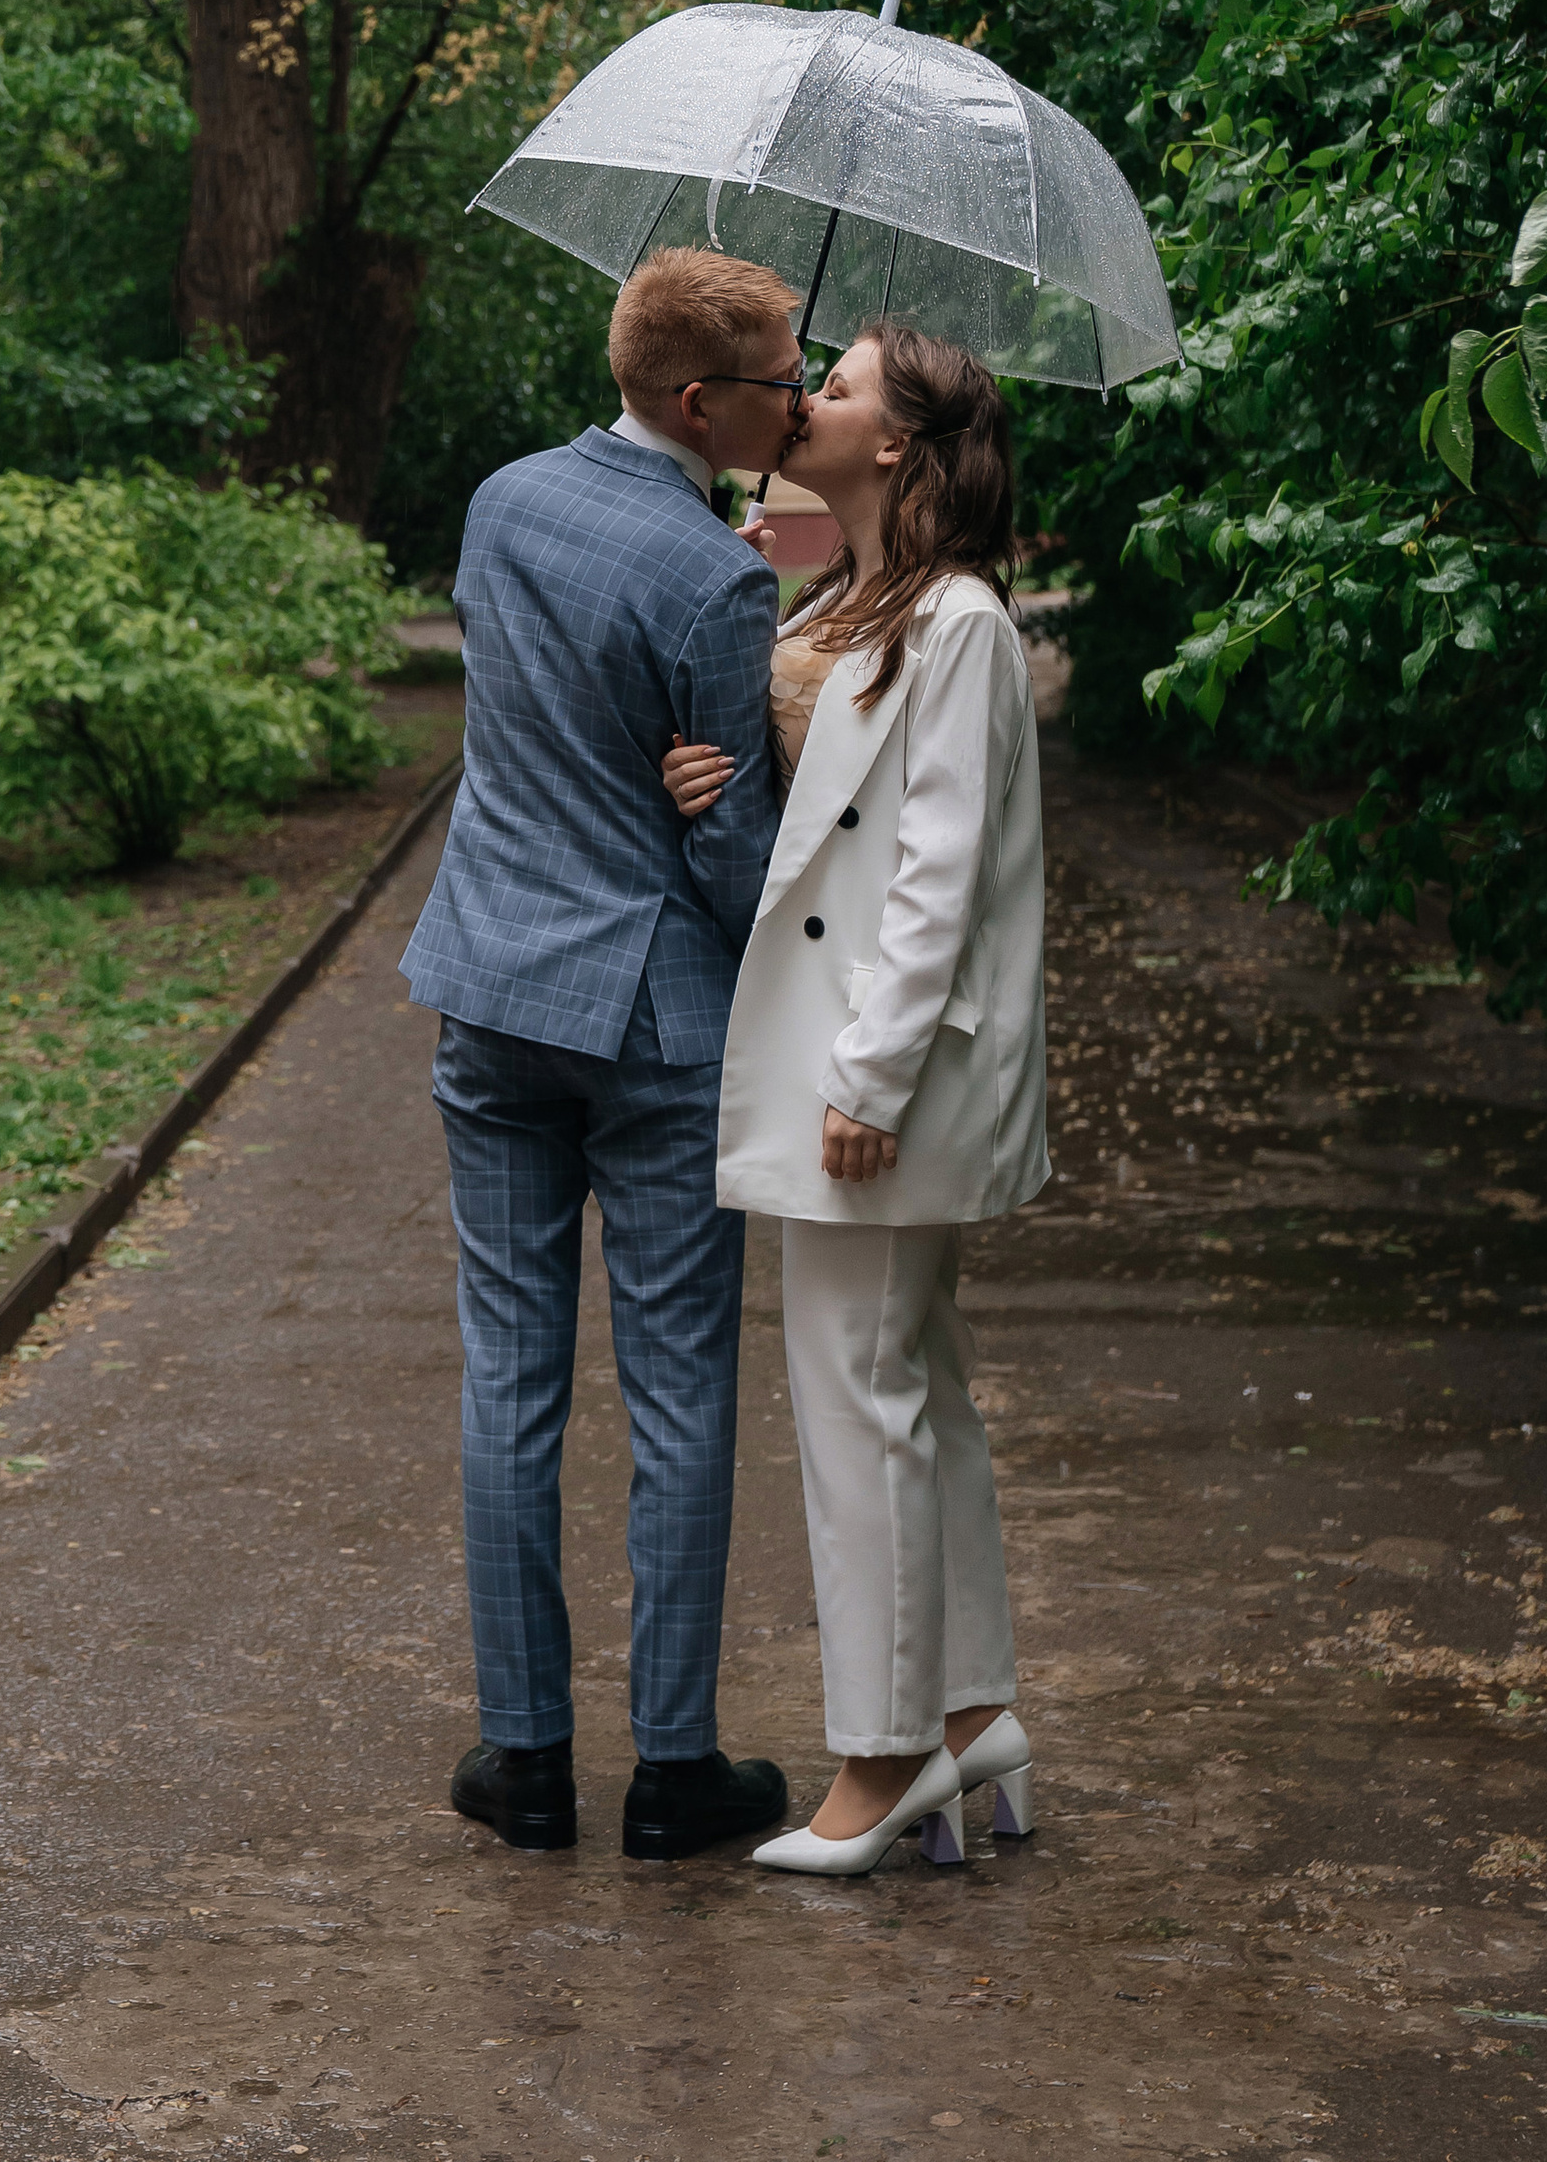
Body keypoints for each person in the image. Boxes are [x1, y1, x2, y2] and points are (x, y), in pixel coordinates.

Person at [402, 247, 810, 1862]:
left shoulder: (504, 503)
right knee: (677, 1393)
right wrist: (726, 799)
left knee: (506, 1377)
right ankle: (670, 1772)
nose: (802, 390)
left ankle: (520, 1761)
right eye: (786, 374)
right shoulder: (717, 581)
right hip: (652, 1029)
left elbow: (516, 709)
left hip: (492, 993)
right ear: (704, 401)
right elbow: (739, 870)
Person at [664, 317, 1045, 1876]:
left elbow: (937, 872)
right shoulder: (855, 592)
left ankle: (882, 1763)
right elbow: (834, 814)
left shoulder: (953, 621)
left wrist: (871, 1076)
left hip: (881, 1075)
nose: (808, 397)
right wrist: (722, 779)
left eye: (838, 385)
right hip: (859, 1061)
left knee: (855, 1403)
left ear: (896, 442)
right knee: (918, 1390)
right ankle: (971, 1721)